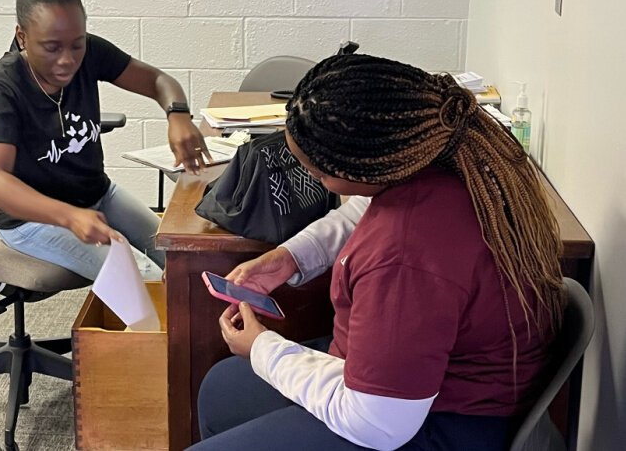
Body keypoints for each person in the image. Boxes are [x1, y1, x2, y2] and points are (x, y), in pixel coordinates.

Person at [190, 54, 567, 450]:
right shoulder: (440, 162)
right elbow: (365, 209)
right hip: (412, 384)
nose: (314, 180)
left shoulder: (406, 256)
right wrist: (289, 257)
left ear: (360, 168)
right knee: (222, 390)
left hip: (434, 422)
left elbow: (377, 423)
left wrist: (263, 348)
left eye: (318, 174)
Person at [0, 0, 211, 280]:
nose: (67, 59)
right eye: (51, 48)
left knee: (184, 257)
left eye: (77, 45)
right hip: (33, 221)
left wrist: (178, 114)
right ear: (22, 36)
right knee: (145, 279)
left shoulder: (89, 54)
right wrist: (70, 216)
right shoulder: (1, 89)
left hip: (98, 195)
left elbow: (157, 80)